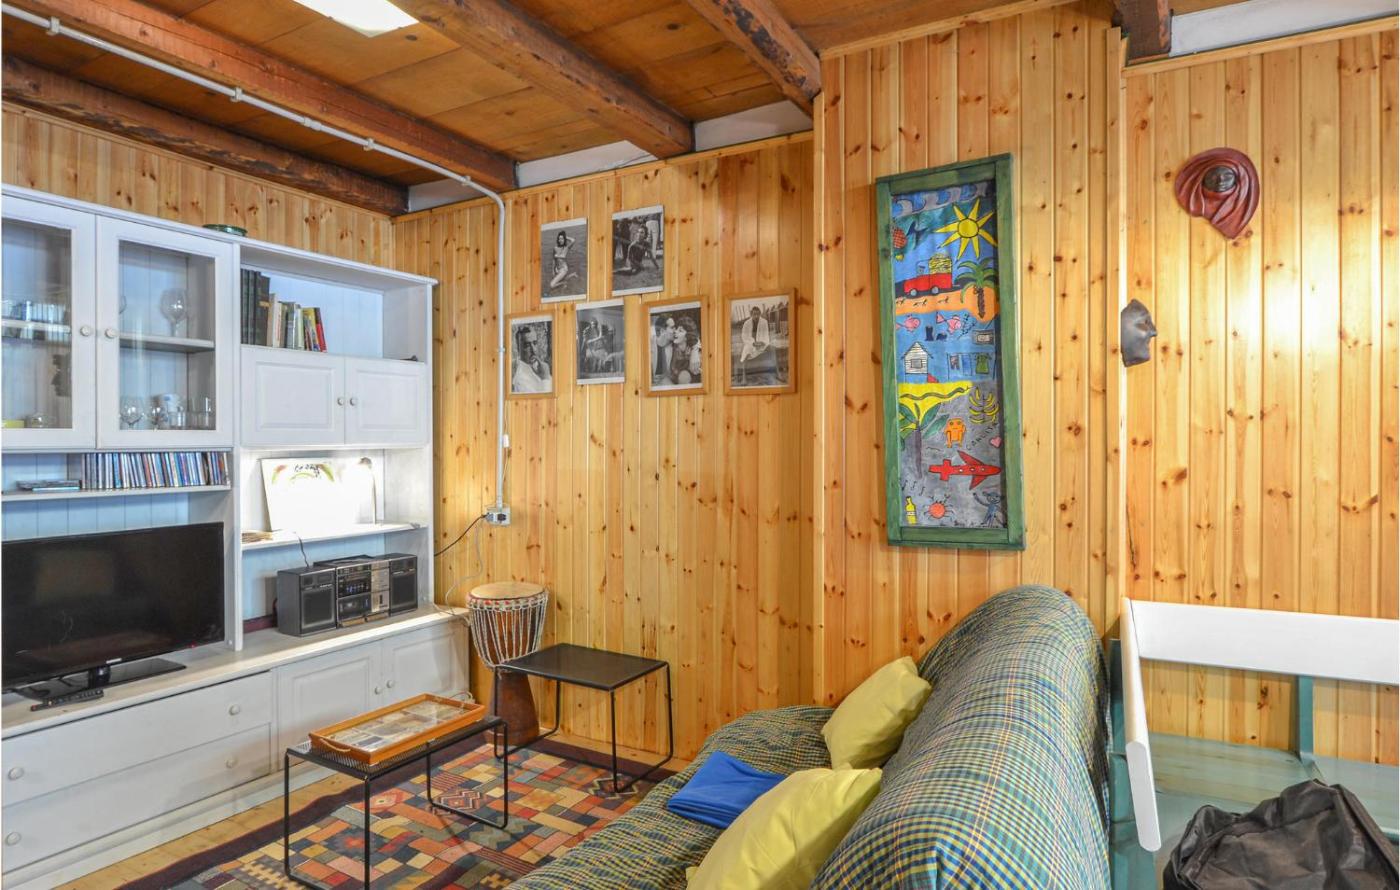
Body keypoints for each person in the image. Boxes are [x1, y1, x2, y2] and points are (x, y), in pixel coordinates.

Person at [512, 324, 551, 393]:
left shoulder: (540, 367)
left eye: (535, 343)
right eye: (527, 345)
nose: (533, 350)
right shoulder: (520, 381)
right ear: (518, 348)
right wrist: (545, 379)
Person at [737, 305, 769, 384]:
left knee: (772, 348)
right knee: (746, 351)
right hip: (750, 344)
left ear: (760, 314)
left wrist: (762, 342)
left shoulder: (764, 322)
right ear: (751, 314)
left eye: (758, 314)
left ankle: (778, 373)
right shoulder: (746, 323)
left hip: (761, 344)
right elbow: (744, 336)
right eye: (754, 314)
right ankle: (744, 377)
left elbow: (766, 336)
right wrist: (752, 343)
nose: (756, 316)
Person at [653, 315, 676, 382]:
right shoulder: (649, 345)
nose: (675, 330)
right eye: (672, 327)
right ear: (662, 331)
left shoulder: (676, 345)